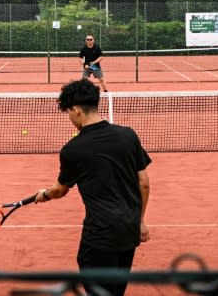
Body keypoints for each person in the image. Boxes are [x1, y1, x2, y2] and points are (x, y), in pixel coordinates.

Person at [34, 79, 151, 296]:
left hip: (99, 236)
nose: (69, 118)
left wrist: (44, 195)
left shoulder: (72, 150)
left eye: (68, 112)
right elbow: (144, 183)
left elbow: (60, 190)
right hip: (129, 232)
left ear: (76, 110)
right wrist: (141, 221)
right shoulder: (128, 136)